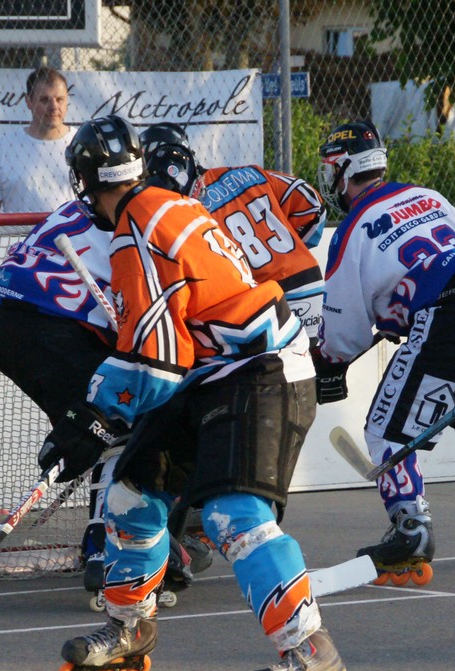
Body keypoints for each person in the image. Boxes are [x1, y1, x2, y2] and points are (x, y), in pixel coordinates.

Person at [40, 114, 352, 671]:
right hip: (212, 375)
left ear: (85, 181)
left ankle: (310, 648)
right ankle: (130, 626)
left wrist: (92, 420)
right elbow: (167, 353)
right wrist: (91, 416)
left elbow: (155, 364)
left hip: (261, 370)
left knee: (233, 513)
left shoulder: (137, 228)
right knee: (132, 491)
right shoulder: (166, 208)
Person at [312, 119, 455, 585]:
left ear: (341, 171)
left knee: (386, 429)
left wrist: (327, 364)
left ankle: (411, 527)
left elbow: (343, 334)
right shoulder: (427, 196)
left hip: (449, 319)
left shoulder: (352, 229)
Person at [138, 121, 323, 578]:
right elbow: (311, 205)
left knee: (208, 404)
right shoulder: (249, 173)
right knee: (273, 411)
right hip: (311, 297)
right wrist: (288, 249)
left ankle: (211, 522)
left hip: (261, 309)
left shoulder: (181, 211)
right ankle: (243, 509)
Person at [0, 198, 121, 601]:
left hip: (2, 325)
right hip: (53, 329)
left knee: (94, 428)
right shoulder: (141, 219)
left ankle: (118, 538)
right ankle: (106, 550)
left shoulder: (80, 205)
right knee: (119, 423)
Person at [0, 67, 74, 214]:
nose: (54, 107)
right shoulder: (3, 148)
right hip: (21, 230)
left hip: (72, 230)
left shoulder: (83, 144)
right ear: (29, 102)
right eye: (44, 100)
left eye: (60, 99)